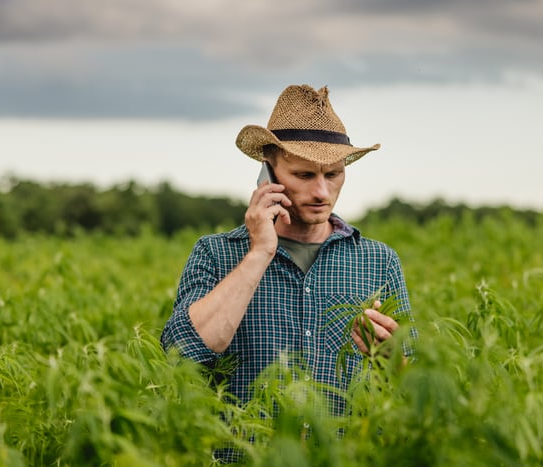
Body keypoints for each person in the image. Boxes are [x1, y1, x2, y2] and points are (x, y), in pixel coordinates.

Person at [160, 84, 416, 415]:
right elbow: (182, 354)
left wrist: (392, 360)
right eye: (304, 174)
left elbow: (412, 387)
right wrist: (259, 253)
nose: (322, 191)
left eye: (334, 174)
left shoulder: (378, 261)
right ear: (267, 173)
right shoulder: (216, 253)